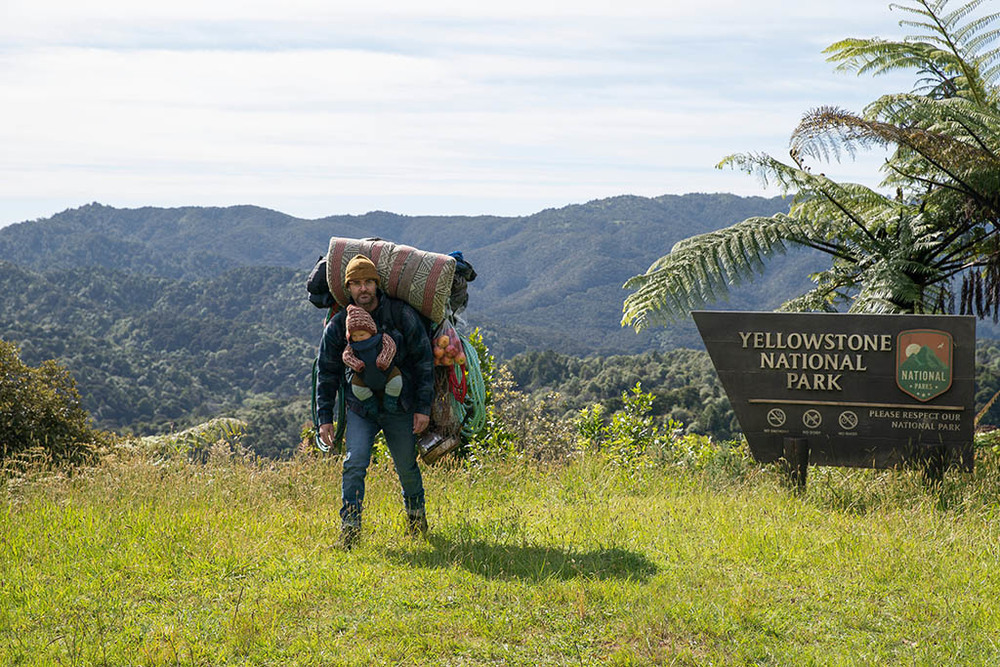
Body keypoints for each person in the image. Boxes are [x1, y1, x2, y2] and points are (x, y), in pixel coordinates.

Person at [316, 255, 434, 549]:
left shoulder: (400, 314)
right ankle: (350, 530)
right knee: (354, 463)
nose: (363, 289)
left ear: (377, 284)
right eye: (356, 283)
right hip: (360, 409)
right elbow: (327, 371)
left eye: (368, 281)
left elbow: (424, 362)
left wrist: (423, 408)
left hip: (401, 406)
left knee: (407, 466)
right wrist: (324, 418)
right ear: (348, 288)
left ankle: (417, 521)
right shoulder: (339, 324)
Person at [342, 304, 404, 415]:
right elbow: (346, 356)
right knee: (357, 388)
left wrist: (384, 359)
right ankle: (370, 403)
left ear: (371, 330)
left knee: (396, 380)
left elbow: (390, 347)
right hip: (363, 375)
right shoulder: (352, 346)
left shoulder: (381, 338)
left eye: (362, 334)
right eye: (354, 336)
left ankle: (390, 400)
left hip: (386, 371)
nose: (358, 338)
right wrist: (356, 364)